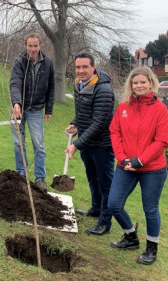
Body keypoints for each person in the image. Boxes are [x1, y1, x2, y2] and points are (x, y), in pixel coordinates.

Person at [108, 66, 168, 265]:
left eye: (143, 82)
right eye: (135, 83)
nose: (139, 85)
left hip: (152, 169)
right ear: (131, 85)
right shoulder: (123, 107)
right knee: (113, 205)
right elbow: (115, 132)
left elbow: (162, 140)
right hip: (125, 166)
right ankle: (130, 237)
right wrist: (122, 157)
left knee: (150, 209)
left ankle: (151, 248)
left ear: (151, 83)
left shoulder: (159, 108)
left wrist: (140, 160)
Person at [65, 53, 115, 236]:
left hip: (102, 144)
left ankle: (105, 221)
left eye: (84, 67)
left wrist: (76, 144)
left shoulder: (103, 90)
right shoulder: (79, 84)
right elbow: (83, 112)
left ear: (93, 67)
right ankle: (95, 208)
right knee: (92, 178)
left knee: (106, 183)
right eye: (77, 67)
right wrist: (75, 123)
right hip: (87, 143)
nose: (81, 71)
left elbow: (99, 123)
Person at [10, 33, 55, 191]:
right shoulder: (19, 62)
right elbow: (14, 83)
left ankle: (40, 178)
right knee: (18, 143)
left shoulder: (47, 63)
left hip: (36, 109)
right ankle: (22, 174)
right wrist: (16, 103)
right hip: (18, 109)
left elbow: (51, 88)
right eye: (30, 46)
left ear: (40, 46)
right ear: (25, 46)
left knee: (38, 144)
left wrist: (48, 108)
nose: (33, 49)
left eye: (35, 45)